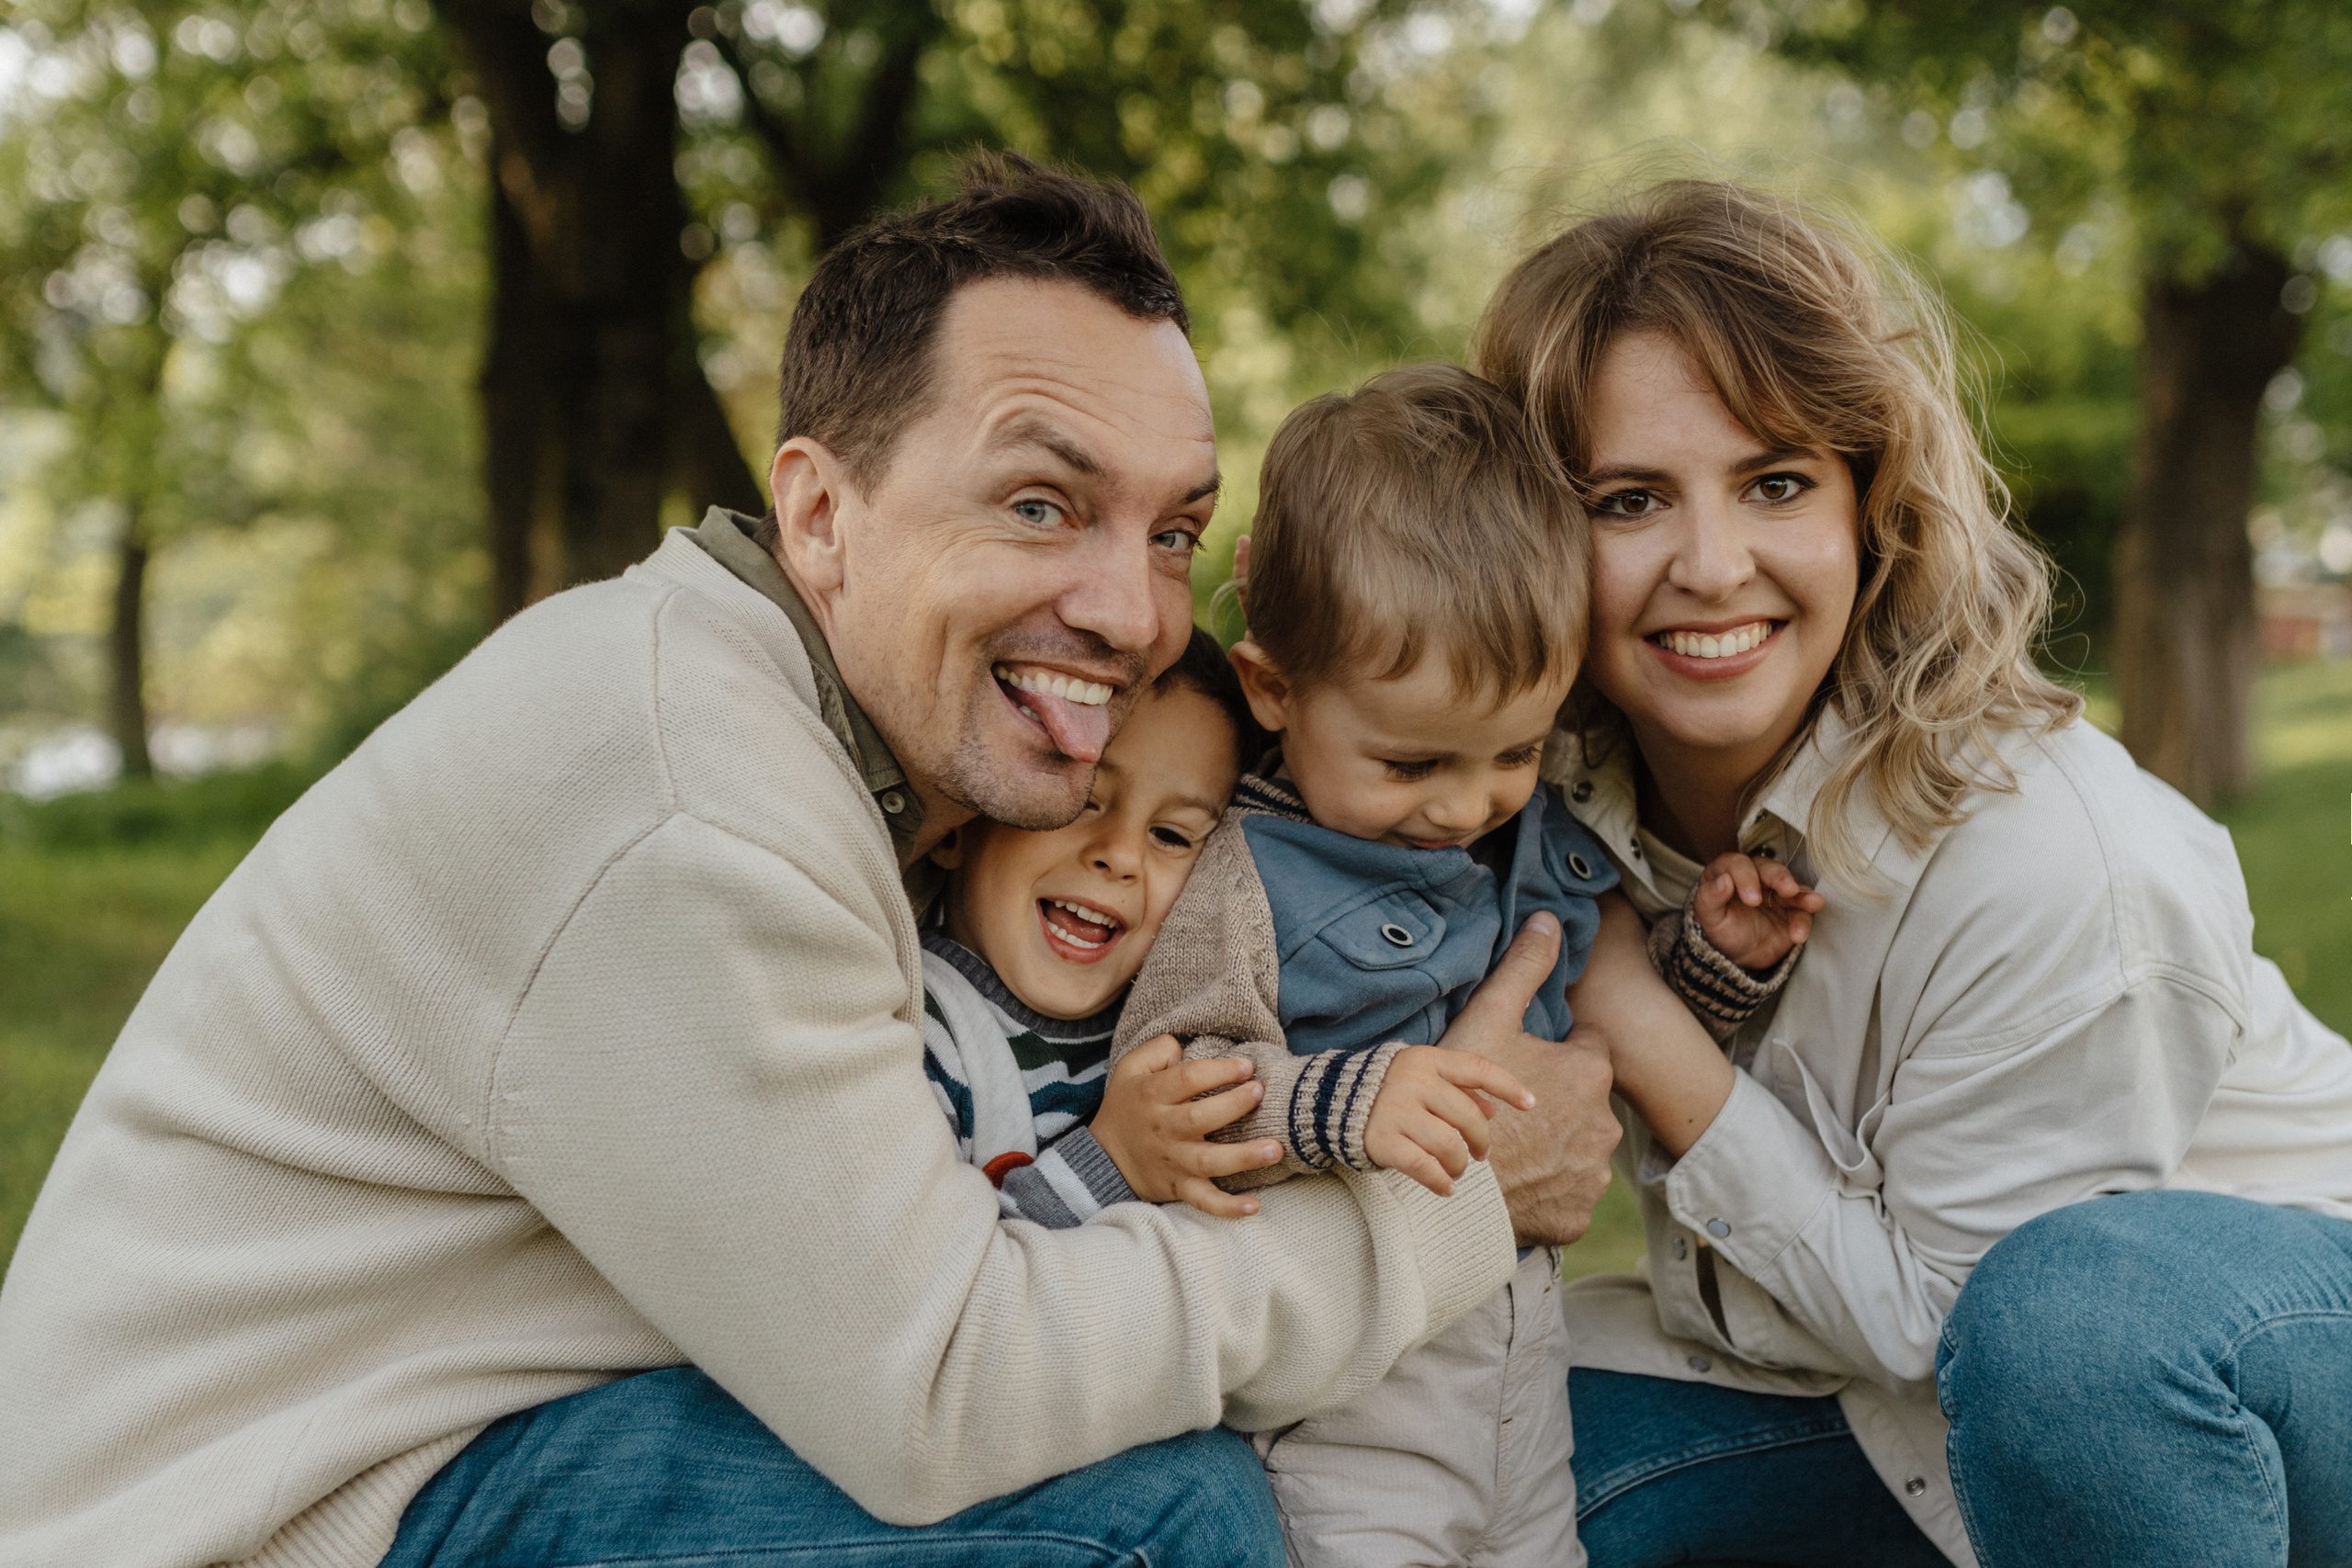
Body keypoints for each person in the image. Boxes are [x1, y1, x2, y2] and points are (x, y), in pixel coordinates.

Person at [0, 155, 1623, 1568]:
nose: (1136, 615)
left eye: (1173, 530)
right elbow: (949, 1385)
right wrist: (1457, 1211)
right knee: (1157, 1517)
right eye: (1044, 504)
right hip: (274, 1516)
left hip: (463, 1423)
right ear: (821, 511)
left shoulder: (861, 737)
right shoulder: (692, 808)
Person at [1468, 180, 2352, 1567]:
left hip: (2242, 1373)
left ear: (1871, 506)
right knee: (1420, 1482)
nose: (1711, 565)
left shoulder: (2051, 855)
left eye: (1775, 482)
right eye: (1628, 499)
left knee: (2070, 1320)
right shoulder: (1550, 798)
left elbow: (1957, 1329)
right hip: (1843, 1389)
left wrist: (1640, 1022)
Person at [1110, 366, 1804, 1568]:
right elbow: (1185, 1076)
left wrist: (1715, 960)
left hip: (1520, 1377)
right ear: (1274, 687)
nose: (1464, 803)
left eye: (1514, 750)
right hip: (1345, 1409)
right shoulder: (1250, 877)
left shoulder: (1538, 846)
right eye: (1411, 761)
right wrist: (1357, 1100)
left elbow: (1594, 1046)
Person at [916, 628, 1279, 1224]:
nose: (1123, 855)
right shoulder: (919, 1033)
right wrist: (1112, 1159)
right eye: (1083, 798)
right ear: (958, 820)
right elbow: (948, 1279)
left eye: (1171, 835)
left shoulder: (1186, 1029)